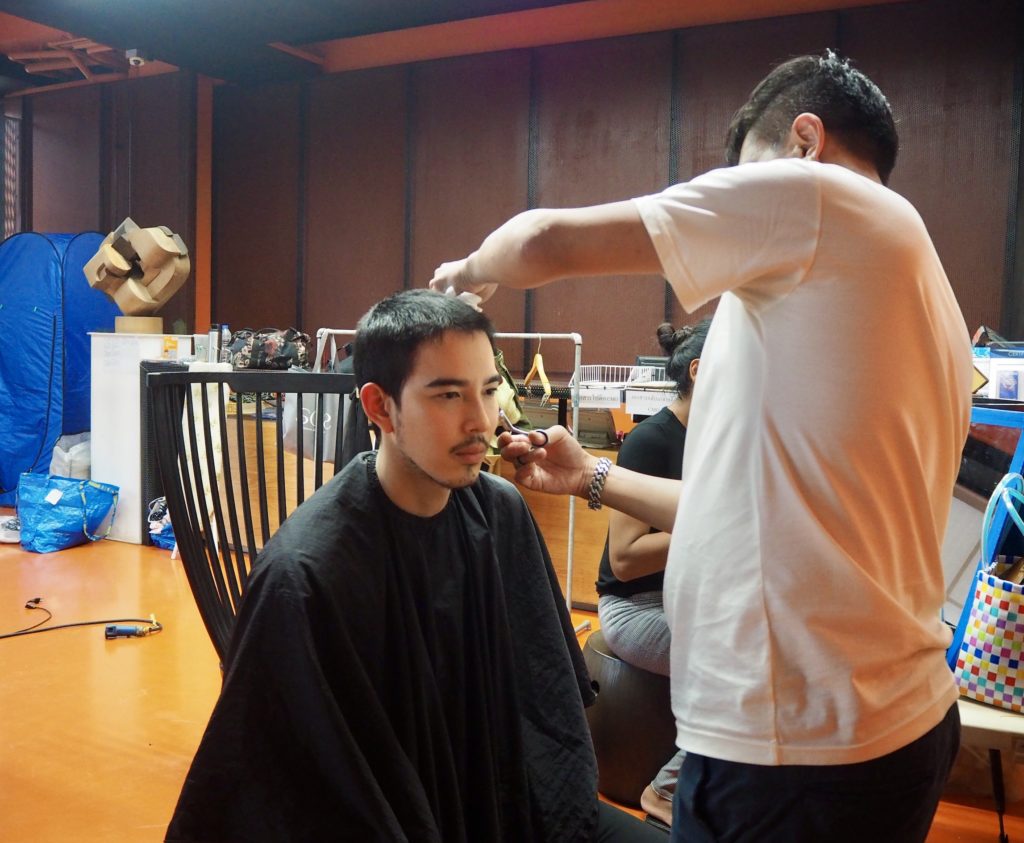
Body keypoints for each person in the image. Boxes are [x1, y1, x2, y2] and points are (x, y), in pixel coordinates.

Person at [430, 51, 973, 842]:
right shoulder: (921, 292)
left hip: (800, 753)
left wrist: (467, 272)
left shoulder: (819, 197)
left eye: (746, 173)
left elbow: (545, 240)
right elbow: (746, 509)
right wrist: (591, 475)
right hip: (882, 730)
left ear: (804, 141)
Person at [165, 289, 665, 843]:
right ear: (380, 407)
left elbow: (545, 708)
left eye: (489, 391)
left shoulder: (499, 512)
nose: (480, 421)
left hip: (509, 803)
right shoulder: (304, 574)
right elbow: (282, 791)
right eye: (448, 395)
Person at [594, 319, 709, 828]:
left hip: (693, 598)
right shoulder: (650, 440)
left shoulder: (719, 440)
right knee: (747, 668)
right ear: (699, 371)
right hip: (635, 608)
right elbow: (624, 558)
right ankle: (665, 790)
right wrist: (715, 525)